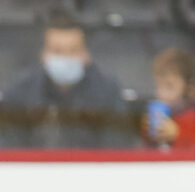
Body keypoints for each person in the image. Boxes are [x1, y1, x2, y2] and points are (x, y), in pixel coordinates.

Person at [0, 7, 136, 149]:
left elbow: (117, 150)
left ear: (86, 55)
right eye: (57, 50)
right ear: (43, 54)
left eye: (73, 50)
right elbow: (9, 150)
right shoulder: (19, 93)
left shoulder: (109, 93)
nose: (65, 57)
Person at [142, 48, 195, 150]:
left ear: (190, 89)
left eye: (169, 86)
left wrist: (178, 134)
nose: (160, 94)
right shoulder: (162, 115)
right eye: (157, 86)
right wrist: (146, 133)